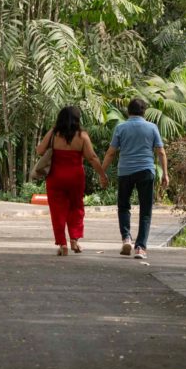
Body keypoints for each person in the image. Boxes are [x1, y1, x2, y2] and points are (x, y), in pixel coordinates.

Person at [101, 98, 169, 260]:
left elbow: (111, 153)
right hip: (146, 171)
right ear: (144, 111)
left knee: (124, 206)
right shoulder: (152, 127)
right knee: (145, 210)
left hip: (125, 172)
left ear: (128, 111)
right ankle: (140, 248)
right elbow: (161, 152)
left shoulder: (121, 127)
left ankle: (126, 238)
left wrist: (102, 172)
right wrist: (165, 173)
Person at [36, 106, 108, 256]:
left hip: (56, 177)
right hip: (76, 177)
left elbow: (40, 151)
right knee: (76, 207)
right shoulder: (82, 136)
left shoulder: (54, 133)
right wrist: (102, 174)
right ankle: (74, 240)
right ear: (77, 119)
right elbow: (92, 157)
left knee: (57, 210)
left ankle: (63, 244)